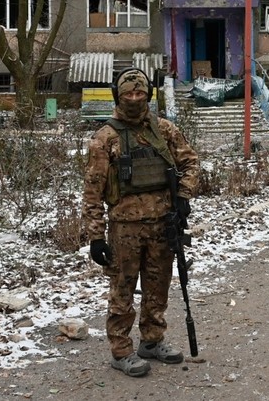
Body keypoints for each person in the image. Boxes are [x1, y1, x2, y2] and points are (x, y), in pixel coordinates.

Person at [82, 67, 200, 377]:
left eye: (140, 93)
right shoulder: (105, 138)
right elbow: (92, 191)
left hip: (163, 223)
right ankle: (121, 350)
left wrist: (184, 197)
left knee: (157, 286)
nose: (135, 99)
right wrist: (95, 238)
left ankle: (152, 340)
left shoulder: (164, 130)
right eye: (128, 94)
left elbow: (191, 163)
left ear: (148, 95)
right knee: (122, 289)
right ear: (118, 96)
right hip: (125, 228)